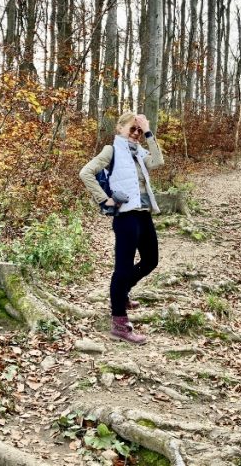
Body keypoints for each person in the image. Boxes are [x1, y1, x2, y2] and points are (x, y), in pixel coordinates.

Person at [79, 113, 164, 344]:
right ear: (119, 128)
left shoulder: (140, 153)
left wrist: (148, 131)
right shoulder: (111, 150)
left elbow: (158, 162)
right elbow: (86, 172)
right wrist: (103, 199)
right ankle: (119, 322)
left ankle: (122, 292)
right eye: (132, 129)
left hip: (144, 214)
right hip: (125, 217)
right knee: (123, 268)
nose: (136, 134)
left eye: (139, 131)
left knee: (151, 260)